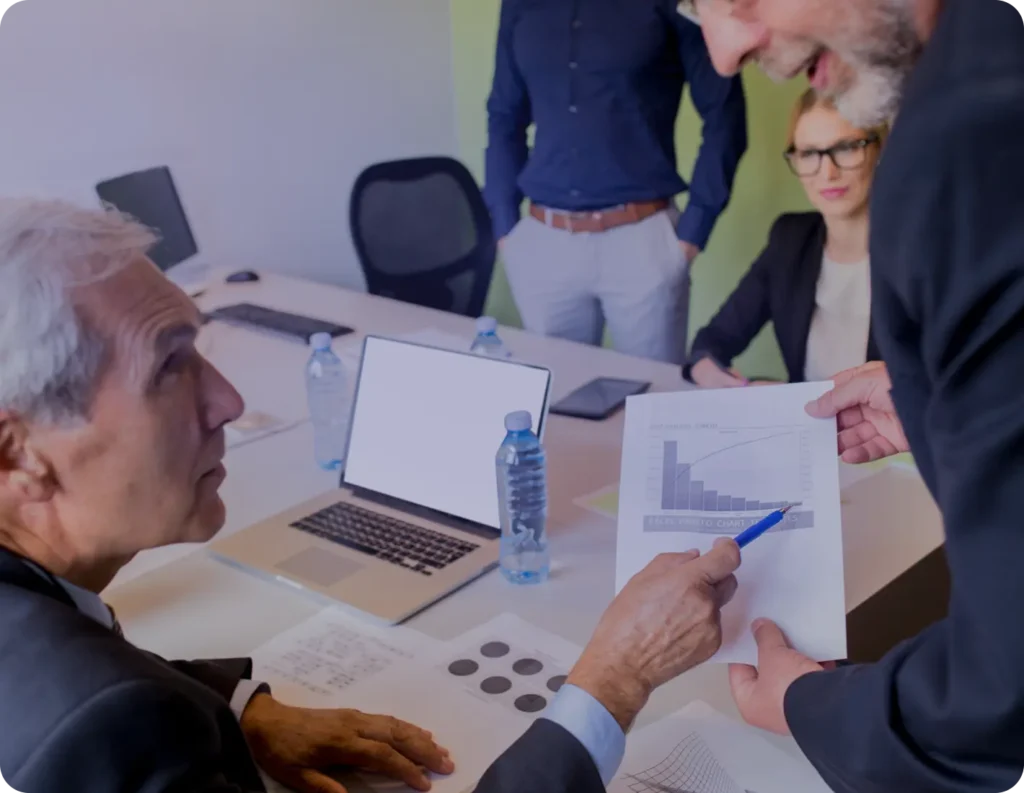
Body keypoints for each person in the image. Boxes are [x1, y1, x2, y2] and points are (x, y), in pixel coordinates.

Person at [0, 198, 742, 793]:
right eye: (169, 367)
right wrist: (612, 680)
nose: (227, 400)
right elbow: (109, 713)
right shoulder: (112, 724)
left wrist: (243, 710)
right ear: (18, 453)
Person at [679, 0, 1024, 790]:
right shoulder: (793, 242)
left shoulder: (968, 135)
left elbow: (1000, 692)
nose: (726, 50)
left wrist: (806, 701)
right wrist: (937, 402)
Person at [484, 0, 747, 364]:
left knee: (654, 404)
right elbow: (503, 114)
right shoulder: (520, 4)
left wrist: (692, 233)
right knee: (557, 404)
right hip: (543, 242)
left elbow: (725, 114)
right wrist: (506, 228)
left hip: (642, 242)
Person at [685, 88, 884, 388]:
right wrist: (712, 374)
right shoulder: (790, 240)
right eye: (808, 154)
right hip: (808, 426)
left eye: (846, 148)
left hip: (888, 433)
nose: (827, 172)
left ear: (878, 151)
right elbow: (712, 341)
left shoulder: (923, 253)